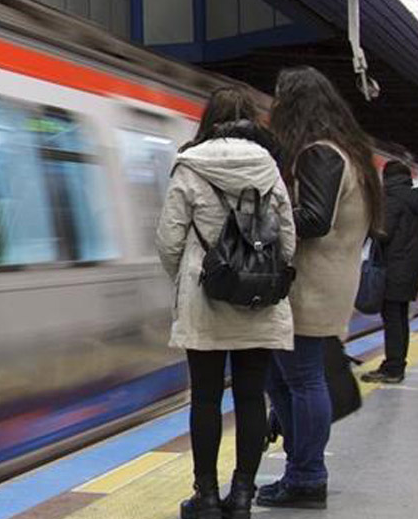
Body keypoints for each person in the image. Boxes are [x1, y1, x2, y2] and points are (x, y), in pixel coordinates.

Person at [156, 87, 296, 519]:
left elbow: (169, 241)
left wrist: (191, 277)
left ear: (208, 120)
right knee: (252, 397)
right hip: (257, 301)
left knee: (206, 398)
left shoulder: (190, 166)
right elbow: (289, 241)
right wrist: (260, 273)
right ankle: (241, 496)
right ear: (252, 121)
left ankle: (207, 497)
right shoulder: (269, 168)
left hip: (205, 300)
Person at [259, 66, 384, 510]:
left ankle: (308, 476)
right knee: (283, 377)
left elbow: (313, 219)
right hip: (327, 281)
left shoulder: (320, 154)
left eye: (279, 100)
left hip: (311, 286)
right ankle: (301, 469)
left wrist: (265, 220)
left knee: (301, 378)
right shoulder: (348, 152)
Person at [361, 160, 418, 384]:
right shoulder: (414, 198)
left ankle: (393, 369)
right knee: (399, 318)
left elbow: (383, 233)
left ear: (386, 177)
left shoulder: (392, 198)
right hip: (409, 269)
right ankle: (396, 364)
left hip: (394, 269)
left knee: (392, 319)